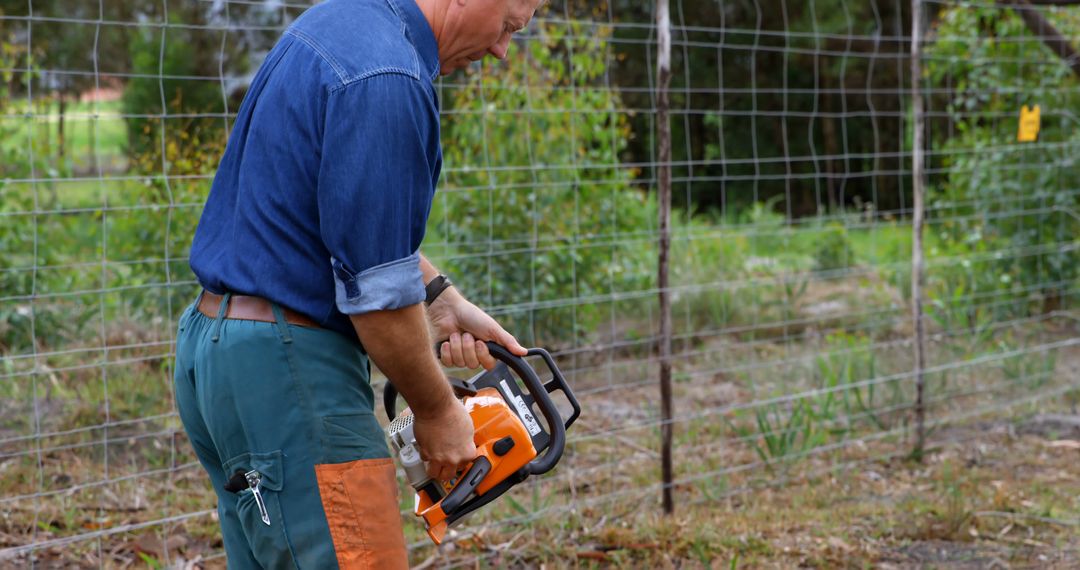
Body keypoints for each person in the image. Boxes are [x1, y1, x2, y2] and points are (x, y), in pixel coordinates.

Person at [173, 0, 544, 567]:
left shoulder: (340, 23)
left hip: (217, 353)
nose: (501, 48)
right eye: (509, 27)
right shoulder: (388, 77)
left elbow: (325, 215)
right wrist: (438, 411)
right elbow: (378, 307)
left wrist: (440, 297)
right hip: (289, 371)